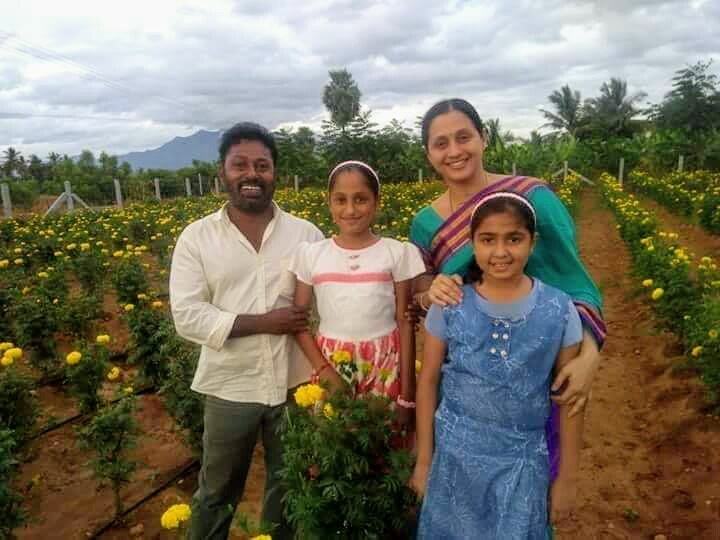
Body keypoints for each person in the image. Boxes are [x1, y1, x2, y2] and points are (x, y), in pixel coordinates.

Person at [411, 98, 605, 479]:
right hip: (467, 384)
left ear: (483, 138)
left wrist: (589, 356)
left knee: (531, 483)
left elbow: (574, 282)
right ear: (428, 153)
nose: (454, 151)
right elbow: (423, 291)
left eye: (464, 137)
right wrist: (430, 292)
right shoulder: (425, 224)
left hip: (535, 377)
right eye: (441, 143)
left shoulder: (534, 198)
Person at [169, 122, 323, 540]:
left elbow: (327, 301)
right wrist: (264, 323)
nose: (251, 174)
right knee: (216, 493)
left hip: (294, 384)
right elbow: (188, 315)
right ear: (222, 171)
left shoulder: (306, 235)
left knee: (288, 488)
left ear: (275, 172)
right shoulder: (197, 238)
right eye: (240, 164)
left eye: (262, 165)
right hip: (229, 387)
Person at [411, 192, 585, 538]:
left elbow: (571, 401)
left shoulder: (559, 310)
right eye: (488, 240)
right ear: (472, 243)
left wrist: (567, 478)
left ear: (533, 242)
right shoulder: (451, 304)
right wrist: (425, 460)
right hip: (453, 462)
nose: (501, 252)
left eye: (514, 239)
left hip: (521, 465)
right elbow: (428, 381)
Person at [289, 160, 425, 425]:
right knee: (336, 437)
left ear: (377, 203)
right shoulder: (312, 255)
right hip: (331, 363)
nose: (350, 209)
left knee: (384, 436)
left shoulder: (396, 253)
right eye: (340, 200)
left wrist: (407, 396)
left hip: (385, 364)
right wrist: (324, 370)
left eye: (361, 199)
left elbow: (405, 321)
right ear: (329, 204)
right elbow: (299, 322)